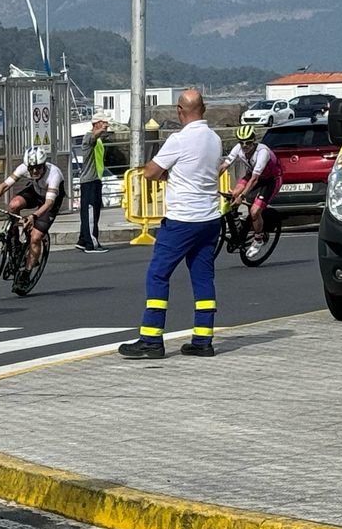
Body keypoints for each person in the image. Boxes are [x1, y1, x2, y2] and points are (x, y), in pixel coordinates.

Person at [119, 89, 222, 360]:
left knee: (158, 274)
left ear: (179, 110)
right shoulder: (214, 139)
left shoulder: (179, 139)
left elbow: (151, 172)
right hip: (210, 218)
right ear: (205, 108)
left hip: (182, 220)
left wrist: (167, 175)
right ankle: (203, 338)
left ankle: (151, 338)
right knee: (202, 278)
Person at [0, 146, 67, 292]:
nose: (34, 171)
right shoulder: (24, 168)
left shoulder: (54, 175)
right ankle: (14, 243)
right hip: (35, 191)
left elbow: (49, 203)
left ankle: (26, 273)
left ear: (44, 165)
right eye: (31, 168)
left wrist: (34, 216)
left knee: (36, 236)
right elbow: (4, 185)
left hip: (49, 201)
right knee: (14, 205)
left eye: (38, 168)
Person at [220, 125, 282, 253]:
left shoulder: (262, 152)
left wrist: (242, 197)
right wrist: (209, 182)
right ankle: (238, 224)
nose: (245, 146)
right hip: (253, 175)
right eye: (241, 143)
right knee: (233, 194)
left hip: (271, 180)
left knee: (254, 211)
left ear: (254, 141)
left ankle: (258, 239)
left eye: (248, 142)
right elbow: (224, 166)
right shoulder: (238, 148)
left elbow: (254, 179)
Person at [76, 112, 112, 253]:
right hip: (89, 180)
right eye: (103, 123)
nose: (106, 126)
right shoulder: (88, 137)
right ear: (96, 123)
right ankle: (91, 243)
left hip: (96, 179)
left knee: (93, 211)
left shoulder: (99, 140)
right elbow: (92, 137)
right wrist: (100, 130)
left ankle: (83, 239)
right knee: (90, 211)